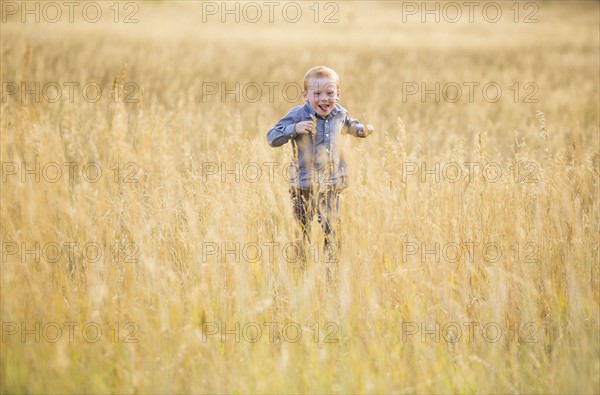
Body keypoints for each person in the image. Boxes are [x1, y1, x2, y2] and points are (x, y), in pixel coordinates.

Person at [267, 66, 374, 260]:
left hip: (330, 185)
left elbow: (347, 124)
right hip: (303, 185)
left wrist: (359, 129)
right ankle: (300, 268)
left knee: (332, 230)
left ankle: (330, 271)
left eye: (330, 93)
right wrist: (295, 128)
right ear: (305, 95)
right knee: (300, 231)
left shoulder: (339, 114)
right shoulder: (298, 115)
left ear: (338, 94)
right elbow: (271, 137)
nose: (324, 98)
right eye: (317, 94)